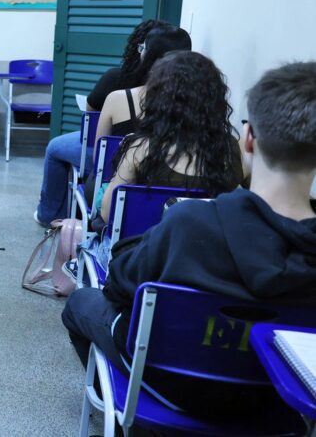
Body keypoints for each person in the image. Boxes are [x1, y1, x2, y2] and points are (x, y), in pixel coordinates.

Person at [61, 61, 316, 418]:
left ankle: (123, 411)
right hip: (277, 403)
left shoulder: (188, 222)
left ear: (249, 139)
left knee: (79, 304)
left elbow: (119, 284)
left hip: (171, 387)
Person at [34, 21, 191, 225]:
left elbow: (99, 154)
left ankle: (49, 214)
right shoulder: (199, 104)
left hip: (115, 185)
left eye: (143, 48)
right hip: (178, 203)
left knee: (55, 147)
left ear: (147, 54)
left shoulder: (118, 92)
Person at [95, 52, 244, 221]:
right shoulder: (230, 149)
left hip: (149, 237)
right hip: (209, 237)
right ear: (215, 99)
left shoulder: (141, 148)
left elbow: (107, 213)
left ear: (158, 99)